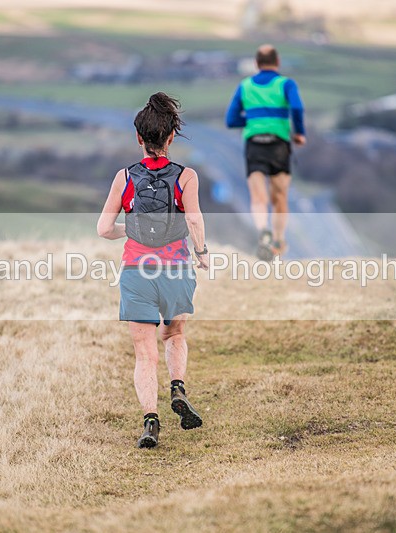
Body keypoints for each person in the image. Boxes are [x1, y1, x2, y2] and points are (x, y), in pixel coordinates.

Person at [97, 92, 209, 449]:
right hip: (175, 268)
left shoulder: (124, 177)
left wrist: (127, 230)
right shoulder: (186, 176)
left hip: (135, 271)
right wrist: (202, 252)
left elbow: (103, 228)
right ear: (171, 137)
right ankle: (178, 387)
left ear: (139, 138)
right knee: (174, 334)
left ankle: (150, 421)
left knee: (144, 353)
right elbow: (192, 218)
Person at [225, 44, 306, 260]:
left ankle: (264, 232)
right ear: (277, 62)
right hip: (279, 145)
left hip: (255, 145)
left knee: (258, 197)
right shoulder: (286, 84)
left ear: (257, 64)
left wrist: (253, 119)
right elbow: (297, 108)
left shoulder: (245, 86)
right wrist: (299, 132)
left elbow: (231, 120)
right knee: (280, 196)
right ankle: (279, 240)